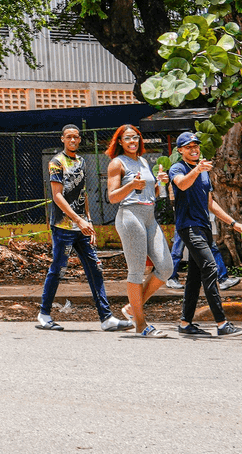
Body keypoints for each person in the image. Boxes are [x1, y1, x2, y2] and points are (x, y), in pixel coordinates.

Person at [37, 124, 126, 332]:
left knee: (95, 269)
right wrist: (78, 220)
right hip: (63, 226)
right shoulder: (56, 162)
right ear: (62, 139)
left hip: (82, 226)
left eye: (76, 137)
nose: (73, 140)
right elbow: (57, 196)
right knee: (58, 269)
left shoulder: (82, 161)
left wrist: (89, 221)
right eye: (69, 137)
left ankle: (106, 318)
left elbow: (83, 193)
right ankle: (44, 314)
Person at [167, 132, 242, 337]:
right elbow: (182, 184)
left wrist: (233, 223)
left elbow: (210, 202)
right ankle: (222, 323)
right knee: (210, 269)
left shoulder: (203, 172)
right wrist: (197, 170)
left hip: (204, 228)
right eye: (189, 147)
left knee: (194, 277)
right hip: (188, 227)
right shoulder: (178, 168)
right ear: (180, 150)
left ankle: (185, 323)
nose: (194, 149)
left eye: (196, 146)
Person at [106, 125, 172, 337]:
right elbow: (112, 197)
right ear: (120, 142)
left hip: (149, 216)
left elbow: (149, 192)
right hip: (130, 216)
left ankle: (131, 308)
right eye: (127, 138)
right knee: (136, 271)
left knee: (166, 268)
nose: (132, 141)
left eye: (135, 137)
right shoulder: (117, 163)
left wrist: (160, 183)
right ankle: (141, 325)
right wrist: (131, 186)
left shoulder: (143, 161)